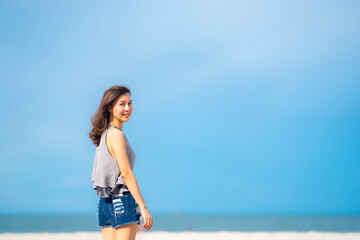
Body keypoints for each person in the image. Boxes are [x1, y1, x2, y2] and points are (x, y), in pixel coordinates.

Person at [89, 85, 153, 240]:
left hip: (106, 204)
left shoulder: (105, 134)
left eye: (130, 103)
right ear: (110, 107)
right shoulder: (116, 135)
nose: (127, 108)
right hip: (122, 201)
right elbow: (126, 174)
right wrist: (143, 207)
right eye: (122, 104)